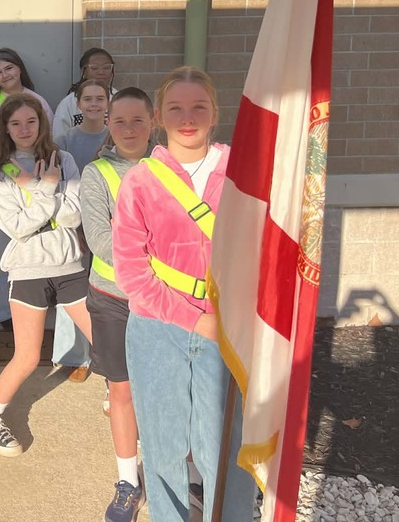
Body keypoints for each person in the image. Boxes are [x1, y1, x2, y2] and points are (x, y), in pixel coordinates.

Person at [112, 66, 255, 522]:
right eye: (175, 108)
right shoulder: (140, 181)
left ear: (216, 113)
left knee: (224, 448)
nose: (187, 117)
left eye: (198, 107)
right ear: (158, 116)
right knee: (164, 447)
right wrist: (195, 320)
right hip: (158, 330)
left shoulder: (243, 174)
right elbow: (132, 273)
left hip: (227, 326)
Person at [0, 94, 92, 457]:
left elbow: (74, 215)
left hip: (70, 265)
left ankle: (127, 407)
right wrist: (48, 187)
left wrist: (46, 198)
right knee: (26, 357)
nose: (25, 130)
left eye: (31, 122)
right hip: (28, 269)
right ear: (5, 129)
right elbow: (16, 228)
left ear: (42, 123)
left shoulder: (64, 158)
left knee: (107, 343)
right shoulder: (1, 171)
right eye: (16, 124)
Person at [79, 87, 155, 522]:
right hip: (114, 299)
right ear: (107, 123)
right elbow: (100, 239)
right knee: (121, 391)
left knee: (170, 392)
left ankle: (175, 471)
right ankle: (128, 480)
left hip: (166, 300)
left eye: (137, 120)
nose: (128, 129)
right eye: (119, 121)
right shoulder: (98, 174)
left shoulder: (171, 169)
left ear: (153, 121)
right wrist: (156, 264)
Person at [0, 48, 54, 331]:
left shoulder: (37, 101)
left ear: (19, 68)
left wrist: (35, 176)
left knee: (35, 240)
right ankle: (5, 311)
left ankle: (35, 305)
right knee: (1, 245)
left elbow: (49, 139)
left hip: (36, 181)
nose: (5, 75)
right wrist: (12, 172)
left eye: (9, 68)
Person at [50, 78, 111, 382]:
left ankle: (106, 352)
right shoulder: (64, 140)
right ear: (78, 103)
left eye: (100, 98)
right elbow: (58, 186)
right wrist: (74, 225)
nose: (94, 104)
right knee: (72, 286)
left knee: (104, 291)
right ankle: (73, 355)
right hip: (74, 221)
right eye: (88, 99)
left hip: (108, 223)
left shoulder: (116, 136)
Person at [53, 47, 117, 137]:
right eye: (94, 68)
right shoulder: (68, 103)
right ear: (84, 71)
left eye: (107, 67)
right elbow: (59, 137)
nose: (101, 72)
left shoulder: (119, 98)